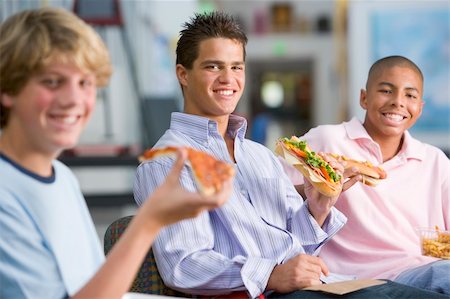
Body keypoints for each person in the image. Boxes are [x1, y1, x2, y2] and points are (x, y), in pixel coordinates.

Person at [133, 12, 447, 298]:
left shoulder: (258, 156)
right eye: (213, 66)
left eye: (236, 67)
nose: (228, 79)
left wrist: (319, 205)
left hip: (321, 283)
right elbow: (184, 265)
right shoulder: (167, 161)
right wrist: (271, 274)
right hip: (264, 293)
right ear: (183, 74)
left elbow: (298, 240)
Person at [0, 7, 231, 299]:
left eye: (85, 83)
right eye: (52, 82)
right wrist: (150, 221)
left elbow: (91, 287)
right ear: (8, 88)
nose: (73, 100)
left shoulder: (61, 178)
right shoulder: (5, 195)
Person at [281, 55, 450, 295]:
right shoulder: (328, 140)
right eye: (386, 91)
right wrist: (318, 188)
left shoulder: (434, 161)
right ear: (364, 98)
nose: (398, 102)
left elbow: (444, 241)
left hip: (420, 270)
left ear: (420, 109)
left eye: (410, 95)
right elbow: (270, 194)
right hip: (348, 276)